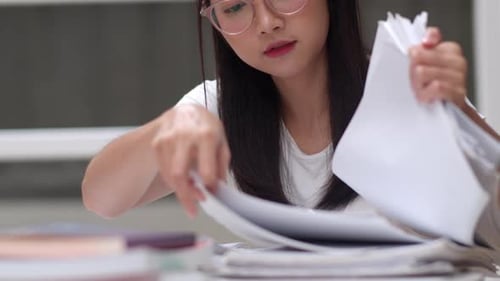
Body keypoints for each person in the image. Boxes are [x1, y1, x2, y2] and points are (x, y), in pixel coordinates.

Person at [82, 0, 500, 246]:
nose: (267, 23)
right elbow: (101, 198)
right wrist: (169, 125)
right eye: (235, 7)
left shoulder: (406, 86)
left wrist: (456, 114)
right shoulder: (216, 111)